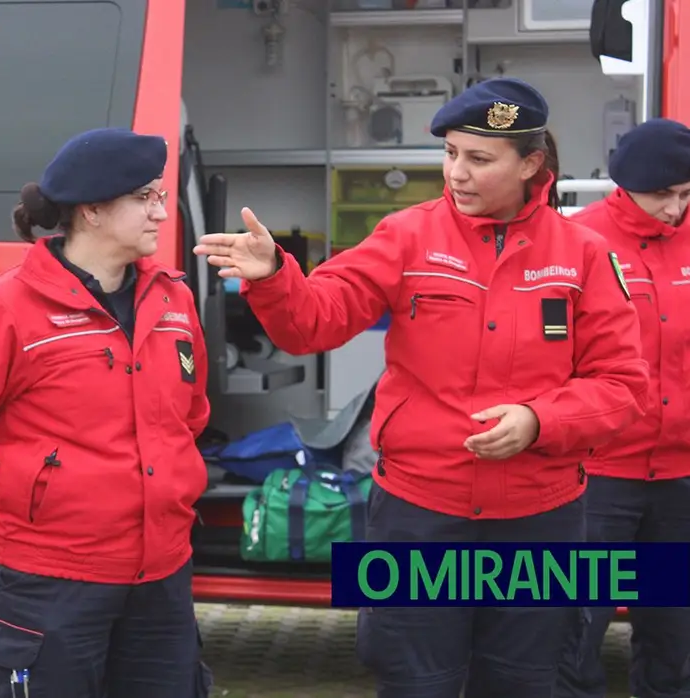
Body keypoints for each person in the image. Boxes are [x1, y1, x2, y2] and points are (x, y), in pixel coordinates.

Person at [193, 77, 648, 698]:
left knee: (526, 682)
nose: (456, 173)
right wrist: (275, 277)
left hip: (540, 519)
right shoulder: (407, 235)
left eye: (479, 159)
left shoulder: (586, 256)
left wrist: (540, 420)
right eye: (451, 153)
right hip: (417, 515)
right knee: (414, 682)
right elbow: (315, 321)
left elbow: (622, 387)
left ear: (531, 164)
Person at [0, 127, 214, 698]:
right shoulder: (2, 308)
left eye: (160, 195)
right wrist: (32, 503)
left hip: (162, 577)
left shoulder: (174, 299)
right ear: (92, 210)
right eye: (144, 197)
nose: (160, 211)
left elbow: (188, 419)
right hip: (49, 582)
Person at [555, 118, 690, 698]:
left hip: (680, 485)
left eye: (686, 195)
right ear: (625, 186)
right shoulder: (579, 243)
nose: (675, 209)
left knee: (674, 639)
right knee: (573, 636)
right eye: (663, 194)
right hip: (599, 482)